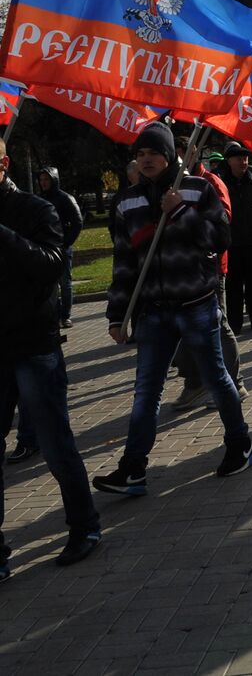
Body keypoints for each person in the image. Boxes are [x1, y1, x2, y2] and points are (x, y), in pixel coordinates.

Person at [95, 122, 252, 495]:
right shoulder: (127, 201)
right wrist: (117, 315)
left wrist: (181, 210)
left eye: (154, 153)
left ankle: (240, 444)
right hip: (153, 312)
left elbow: (220, 238)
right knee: (146, 390)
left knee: (217, 379)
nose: (146, 159)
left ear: (169, 155)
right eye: (140, 153)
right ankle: (133, 468)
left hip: (196, 305)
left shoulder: (197, 189)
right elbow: (124, 263)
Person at [0, 138, 102, 577]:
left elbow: (51, 265)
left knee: (55, 443)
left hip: (32, 345)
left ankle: (84, 526)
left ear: (3, 164)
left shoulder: (35, 210)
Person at [171, 139, 248, 413]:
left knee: (218, 324)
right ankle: (195, 383)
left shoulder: (210, 182)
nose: (177, 159)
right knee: (182, 327)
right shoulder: (175, 184)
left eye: (181, 154)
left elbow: (222, 222)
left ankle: (234, 383)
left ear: (193, 152)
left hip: (210, 268)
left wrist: (182, 210)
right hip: (181, 270)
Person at [218, 142, 252, 333]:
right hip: (231, 242)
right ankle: (235, 324)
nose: (243, 162)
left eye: (245, 158)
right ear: (229, 161)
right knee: (233, 285)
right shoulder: (221, 183)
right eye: (238, 158)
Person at [36, 167, 82, 329]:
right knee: (50, 283)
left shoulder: (66, 199)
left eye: (46, 179)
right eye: (41, 180)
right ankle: (54, 316)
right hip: (45, 247)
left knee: (65, 282)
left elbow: (77, 222)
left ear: (54, 180)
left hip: (62, 247)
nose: (43, 183)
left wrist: (66, 243)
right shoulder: (39, 199)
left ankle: (65, 316)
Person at [107, 160, 141, 242]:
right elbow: (113, 226)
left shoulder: (151, 192)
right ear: (130, 177)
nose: (143, 176)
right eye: (139, 173)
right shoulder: (120, 198)